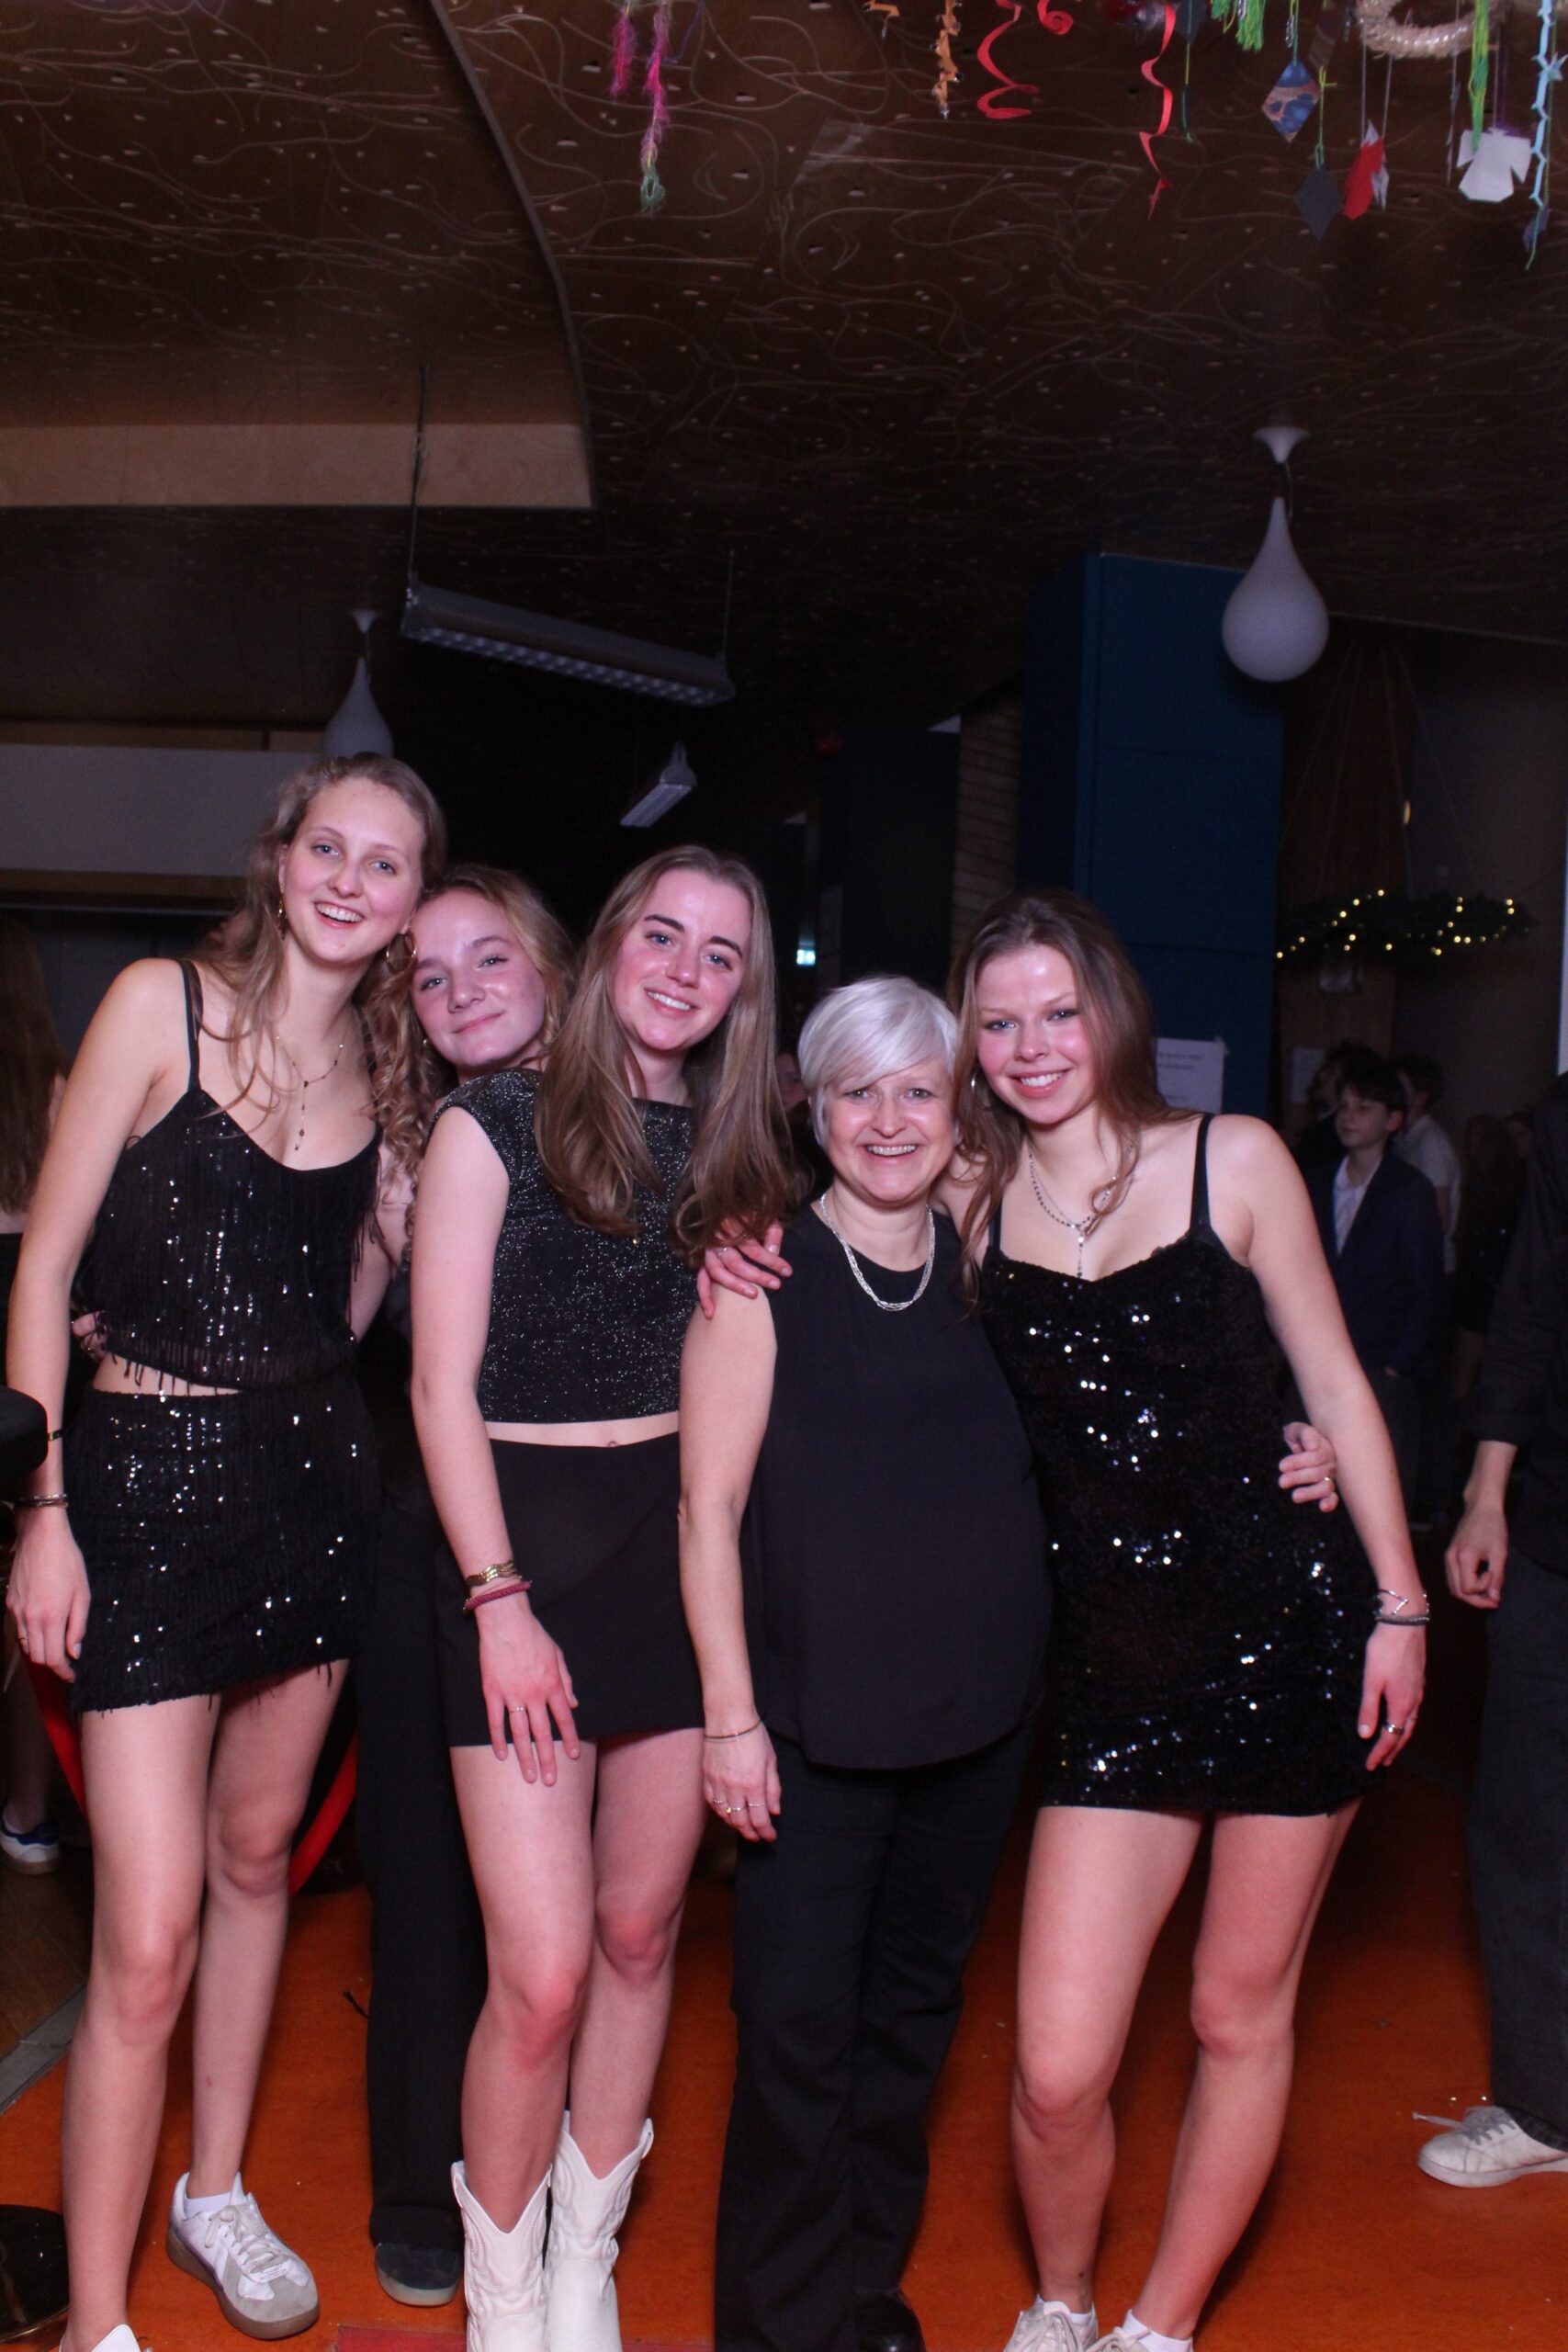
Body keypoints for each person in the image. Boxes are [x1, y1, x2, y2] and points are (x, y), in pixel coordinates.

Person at [6, 754, 445, 2352]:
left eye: (385, 863)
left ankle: (214, 2191)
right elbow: (43, 1270)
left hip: (311, 1491)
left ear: (411, 906)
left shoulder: (388, 1082)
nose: (349, 879)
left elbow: (336, 1315)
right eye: (329, 845)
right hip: (135, 1493)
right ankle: (98, 2320)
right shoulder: (157, 1008)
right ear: (280, 856)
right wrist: (43, 1511)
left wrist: (396, 1225)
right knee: (145, 1936)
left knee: (259, 1862)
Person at [951, 888, 1425, 2352]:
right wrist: (739, 1253)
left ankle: (1156, 2326)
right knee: (1054, 2068)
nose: (1031, 1044)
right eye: (997, 1021)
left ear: (1110, 1012)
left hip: (1292, 1633)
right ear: (968, 1043)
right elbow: (841, 1280)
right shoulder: (968, 1204)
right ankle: (1059, 2300)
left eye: (1056, 1011)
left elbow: (1332, 1381)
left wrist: (1398, 1604)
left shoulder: (1234, 1157)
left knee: (1234, 2012)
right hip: (1111, 1671)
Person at [411, 846, 795, 2352]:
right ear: (612, 944)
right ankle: (502, 2292)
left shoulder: (731, 1156)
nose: (685, 970)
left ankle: (585, 2263)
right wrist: (497, 1601)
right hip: (517, 1559)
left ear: (741, 990)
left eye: (720, 953)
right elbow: (437, 1390)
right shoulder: (490, 1124)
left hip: (670, 1556)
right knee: (546, 1969)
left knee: (641, 1935)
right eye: (663, 935)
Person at [682, 977, 1049, 2352]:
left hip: (979, 1720)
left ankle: (860, 2285)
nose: (888, 1120)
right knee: (792, 2031)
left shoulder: (992, 1251)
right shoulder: (759, 1274)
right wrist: (731, 1719)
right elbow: (706, 1512)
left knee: (911, 2020)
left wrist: (1298, 1441)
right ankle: (778, 2323)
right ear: (812, 1106)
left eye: (917, 1091)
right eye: (856, 1092)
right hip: (811, 1729)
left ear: (956, 1108)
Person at [356, 865, 577, 2308]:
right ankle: (422, 2197)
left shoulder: (644, 1122)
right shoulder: (408, 1145)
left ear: (551, 965)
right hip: (430, 1540)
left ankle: (556, 2202)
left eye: (487, 960)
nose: (458, 994)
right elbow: (335, 1328)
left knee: (589, 1917)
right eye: (428, 978)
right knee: (430, 1877)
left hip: (610, 1544)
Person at [1418, 1069, 1568, 2189]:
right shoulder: (1567, 1116)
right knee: (1526, 1819)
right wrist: (1484, 1494)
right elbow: (1529, 1307)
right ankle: (1546, 2103)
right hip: (1558, 1531)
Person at [0, 916, 69, 1875]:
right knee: (27, 1584)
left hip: (33, 1332)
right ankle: (30, 1811)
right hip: (35, 1349)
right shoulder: (60, 1089)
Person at [1303, 1047, 1445, 1510]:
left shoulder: (1409, 1190)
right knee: (1306, 1483)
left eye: (1363, 1108)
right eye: (1344, 1106)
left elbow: (1426, 1286)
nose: (1348, 1117)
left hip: (1379, 1361)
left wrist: (1397, 1364)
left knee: (1376, 1489)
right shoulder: (1316, 1182)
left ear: (1393, 1120)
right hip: (1316, 1358)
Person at [1451, 1114, 1523, 1403]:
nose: (1471, 1144)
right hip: (1482, 1282)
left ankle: (1460, 1413)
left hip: (1487, 1284)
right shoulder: (1491, 1185)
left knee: (1469, 1358)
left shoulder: (1503, 1189)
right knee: (1468, 1357)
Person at [1393, 1050, 1461, 1270]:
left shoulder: (1431, 1142)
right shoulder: (1404, 1137)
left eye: (1401, 1086)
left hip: (1431, 1265)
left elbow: (1440, 1218)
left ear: (1421, 1096)